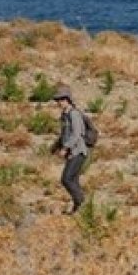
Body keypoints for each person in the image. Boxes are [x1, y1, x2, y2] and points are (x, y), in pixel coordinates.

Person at [49, 85, 90, 214]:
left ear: (68, 99)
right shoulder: (65, 116)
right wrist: (56, 146)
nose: (59, 103)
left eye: (61, 100)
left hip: (78, 152)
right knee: (73, 180)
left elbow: (77, 134)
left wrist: (66, 147)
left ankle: (82, 203)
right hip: (72, 153)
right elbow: (65, 134)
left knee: (66, 179)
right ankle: (79, 208)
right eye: (58, 100)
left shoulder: (74, 114)